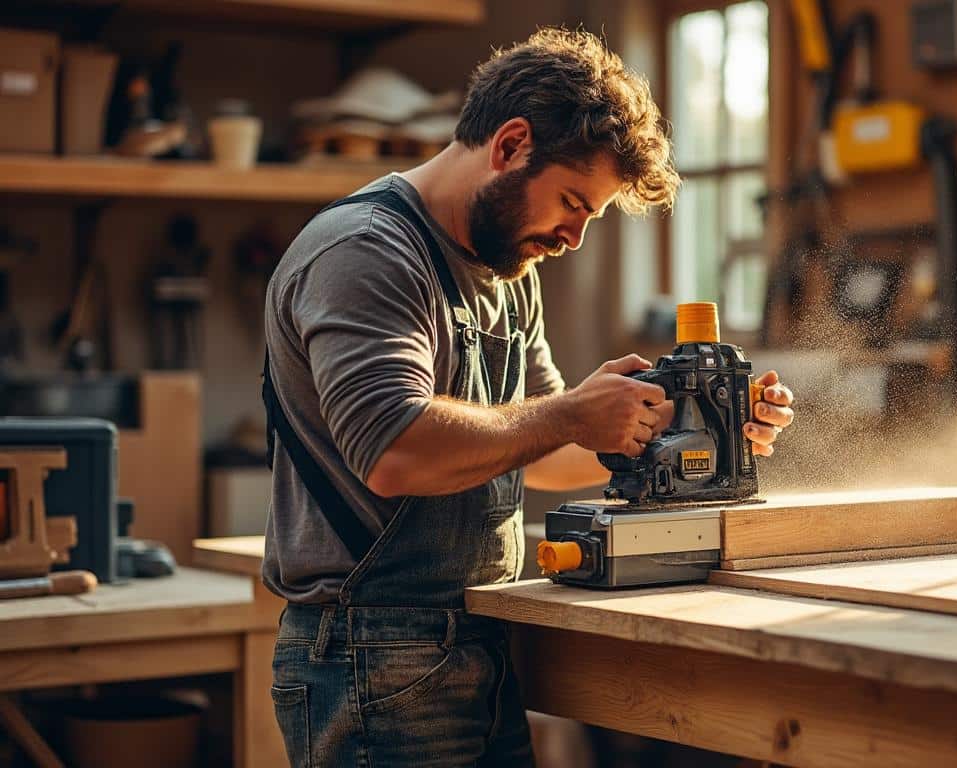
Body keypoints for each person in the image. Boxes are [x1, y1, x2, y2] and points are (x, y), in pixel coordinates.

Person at [261, 28, 795, 767]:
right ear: (511, 145)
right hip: (372, 653)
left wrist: (695, 431)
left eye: (592, 217)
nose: (574, 237)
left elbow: (544, 453)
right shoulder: (367, 251)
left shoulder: (507, 272)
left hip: (479, 635)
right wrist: (573, 410)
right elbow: (394, 450)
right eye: (572, 202)